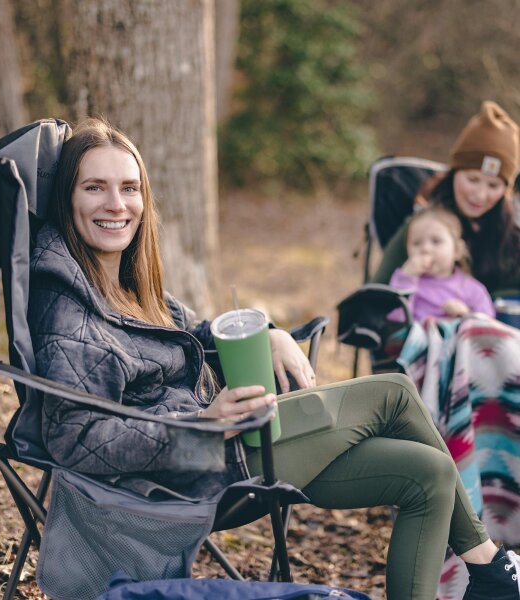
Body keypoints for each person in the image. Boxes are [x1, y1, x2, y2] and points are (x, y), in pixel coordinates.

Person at [27, 117, 520, 600]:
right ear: (67, 198)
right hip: (190, 466)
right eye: (95, 187)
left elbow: (195, 336)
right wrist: (199, 424)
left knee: (429, 474)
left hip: (231, 440)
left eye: (129, 188)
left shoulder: (129, 281)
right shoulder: (67, 302)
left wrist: (269, 333)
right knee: (393, 393)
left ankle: (488, 575)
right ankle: (491, 568)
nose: (117, 204)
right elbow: (74, 437)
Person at [373, 100, 520, 298]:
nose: (480, 194)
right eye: (472, 179)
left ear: (506, 190)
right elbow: (374, 295)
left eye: (493, 185)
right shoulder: (425, 226)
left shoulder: (511, 234)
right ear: (453, 173)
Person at [388, 205, 495, 322]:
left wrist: (465, 314)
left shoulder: (473, 290)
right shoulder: (404, 282)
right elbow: (396, 321)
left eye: (436, 241)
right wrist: (406, 278)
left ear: (457, 250)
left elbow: (488, 326)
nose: (425, 249)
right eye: (417, 243)